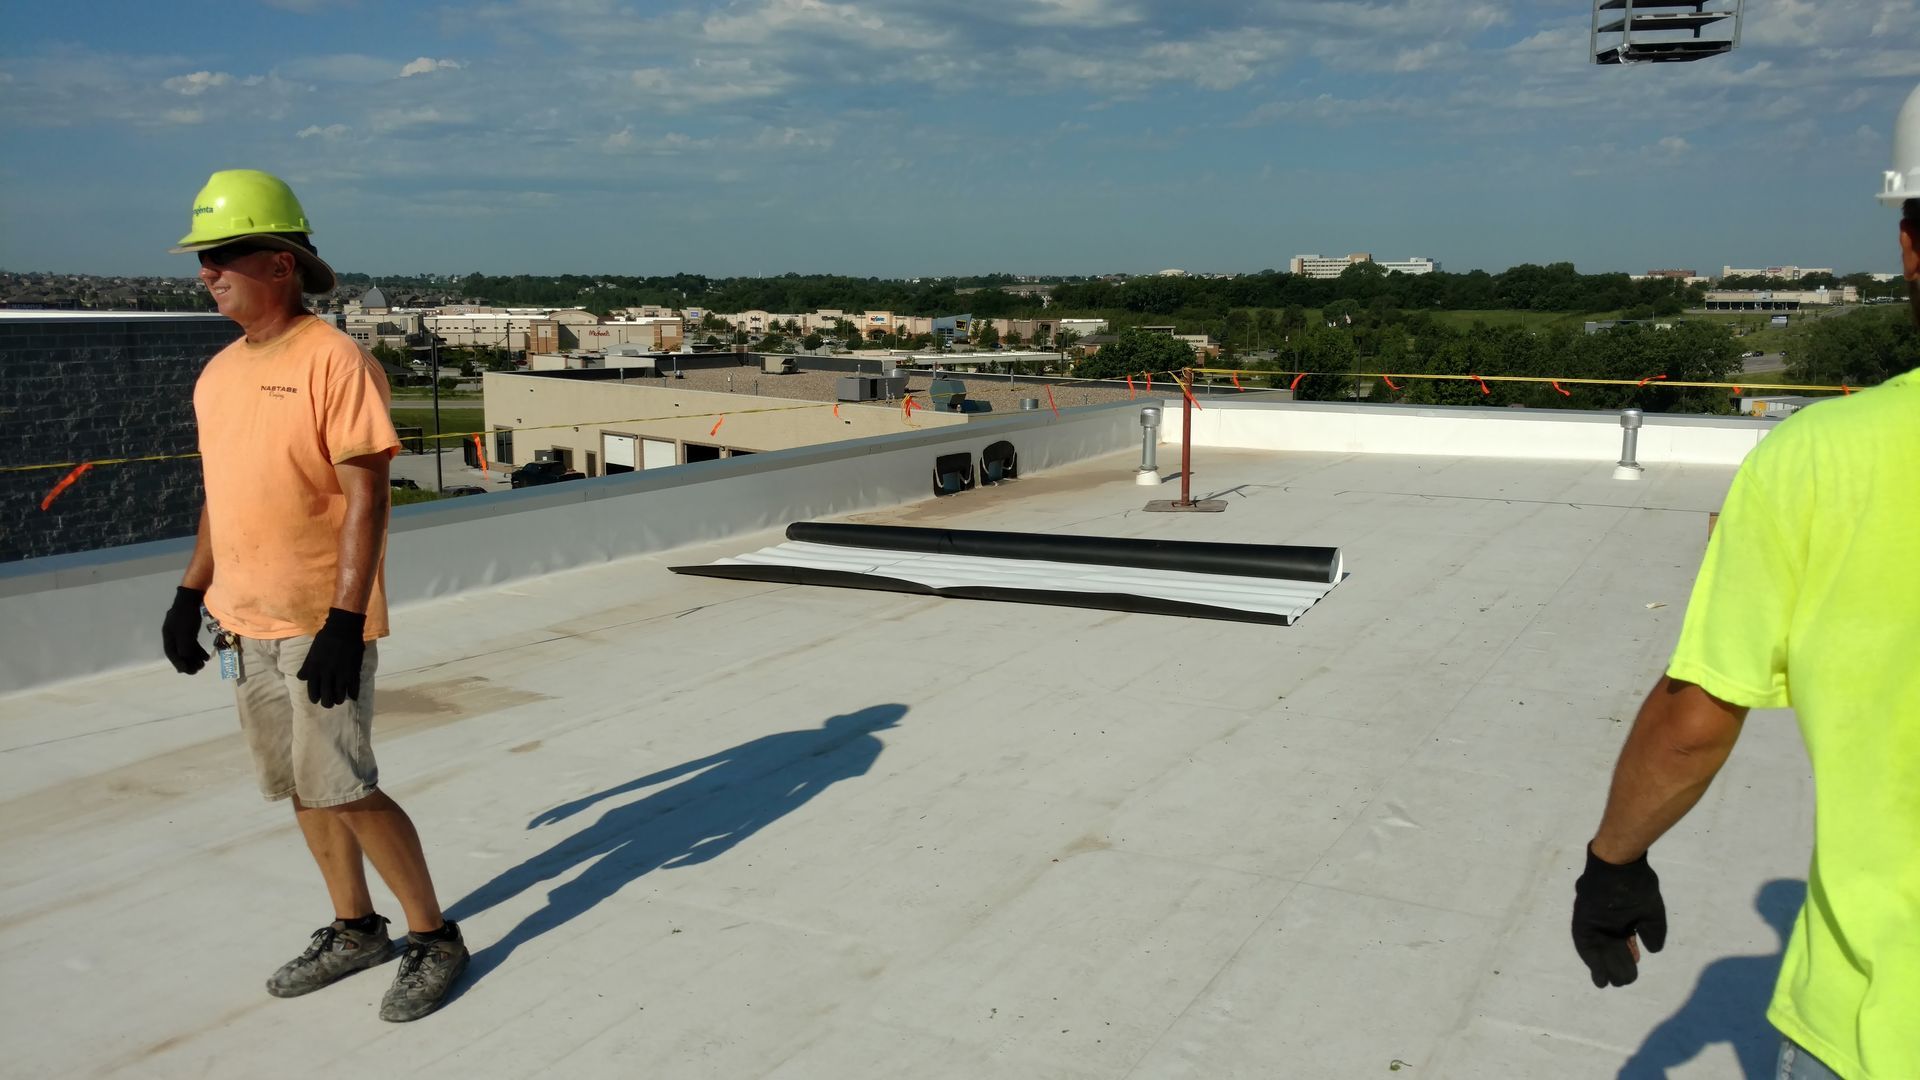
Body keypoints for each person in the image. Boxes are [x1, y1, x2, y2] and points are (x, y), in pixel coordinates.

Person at [1571, 84, 1920, 1080]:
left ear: (1908, 244)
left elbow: (1697, 715)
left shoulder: (1818, 462)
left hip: (1878, 1030)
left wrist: (1614, 865)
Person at [158, 169, 467, 1022]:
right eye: (203, 258)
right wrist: (192, 594)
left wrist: (342, 621)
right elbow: (226, 493)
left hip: (317, 620)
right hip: (242, 620)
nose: (205, 272)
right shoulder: (218, 374)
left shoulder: (336, 362)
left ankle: (433, 935)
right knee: (300, 785)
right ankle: (353, 926)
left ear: (281, 262)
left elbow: (366, 497)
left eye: (222, 255)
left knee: (346, 782)